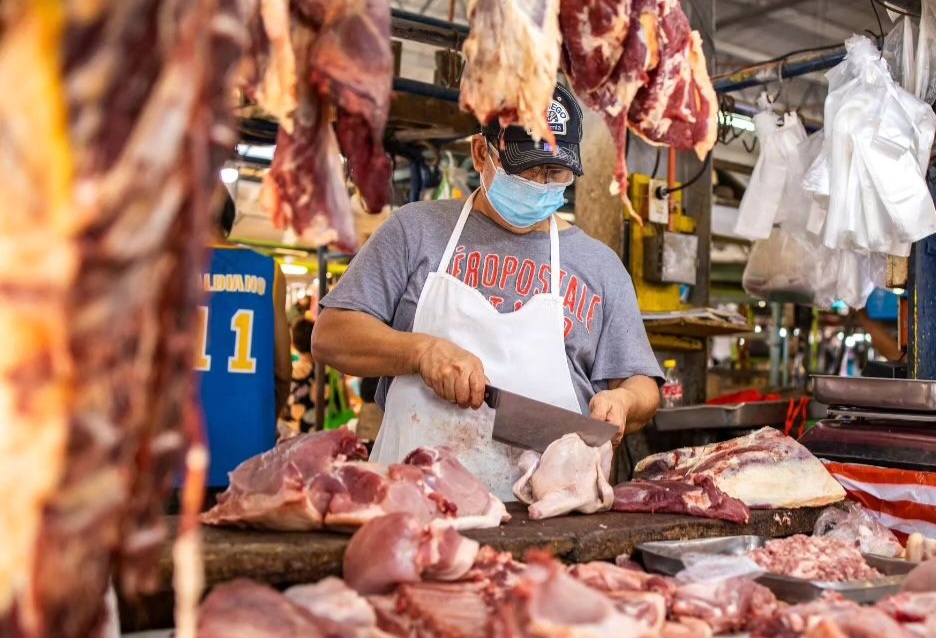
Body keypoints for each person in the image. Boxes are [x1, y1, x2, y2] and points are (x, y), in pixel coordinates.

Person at [312, 85, 662, 500]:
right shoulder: (414, 231)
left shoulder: (600, 266)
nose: (541, 185)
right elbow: (330, 334)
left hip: (544, 516)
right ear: (481, 154)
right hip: (414, 504)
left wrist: (623, 401)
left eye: (556, 174)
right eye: (526, 171)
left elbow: (643, 386)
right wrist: (420, 352)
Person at [196, 193, 291, 489]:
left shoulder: (164, 268)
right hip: (248, 452)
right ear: (229, 218)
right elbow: (283, 371)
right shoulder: (269, 271)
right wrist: (262, 420)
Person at [286, 318, 318, 434]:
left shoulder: (290, 373)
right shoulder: (329, 371)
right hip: (328, 433)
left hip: (298, 435)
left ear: (294, 343)